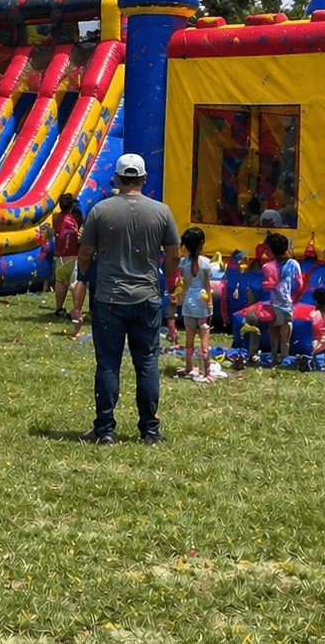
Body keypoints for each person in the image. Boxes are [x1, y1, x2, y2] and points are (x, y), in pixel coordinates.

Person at [76, 153, 180, 447]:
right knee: (147, 363)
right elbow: (173, 254)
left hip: (110, 297)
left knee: (108, 364)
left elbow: (84, 253)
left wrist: (85, 273)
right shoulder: (161, 212)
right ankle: (150, 431)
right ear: (144, 178)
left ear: (118, 179)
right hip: (146, 296)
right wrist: (165, 279)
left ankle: (104, 429)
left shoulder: (100, 211)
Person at [174, 227, 214, 383]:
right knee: (204, 338)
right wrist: (210, 303)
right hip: (202, 303)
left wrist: (179, 298)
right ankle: (207, 370)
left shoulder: (182, 263)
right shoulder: (206, 263)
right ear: (202, 243)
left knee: (189, 338)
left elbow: (182, 284)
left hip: (188, 303)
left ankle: (189, 366)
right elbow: (208, 285)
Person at [262, 233, 302, 368]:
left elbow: (266, 286)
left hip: (274, 305)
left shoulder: (267, 267)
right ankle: (284, 359)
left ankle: (274, 357)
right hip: (287, 305)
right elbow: (299, 284)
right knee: (285, 339)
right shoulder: (294, 264)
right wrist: (294, 298)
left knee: (273, 335)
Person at [49, 193, 86, 327]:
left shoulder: (56, 218)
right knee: (76, 283)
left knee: (60, 281)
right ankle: (77, 311)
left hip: (60, 256)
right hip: (73, 256)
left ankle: (59, 308)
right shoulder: (75, 218)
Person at [307, 286, 325, 369]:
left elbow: (312, 324)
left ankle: (315, 365)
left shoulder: (314, 313)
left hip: (316, 343)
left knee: (314, 351)